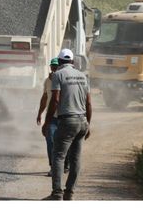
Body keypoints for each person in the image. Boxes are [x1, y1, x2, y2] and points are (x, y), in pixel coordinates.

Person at [42, 48, 92, 201]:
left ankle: (57, 194)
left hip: (67, 121)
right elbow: (89, 103)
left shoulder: (58, 75)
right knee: (76, 159)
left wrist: (47, 121)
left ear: (60, 61)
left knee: (58, 156)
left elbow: (55, 100)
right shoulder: (83, 76)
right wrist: (88, 124)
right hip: (82, 121)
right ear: (72, 61)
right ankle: (69, 193)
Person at [36, 58, 70, 176]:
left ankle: (65, 165)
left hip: (64, 116)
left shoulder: (64, 78)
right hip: (52, 117)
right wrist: (40, 113)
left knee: (65, 143)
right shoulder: (47, 81)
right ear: (50, 67)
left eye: (56, 66)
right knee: (50, 141)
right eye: (53, 66)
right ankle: (53, 167)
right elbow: (45, 98)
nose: (54, 69)